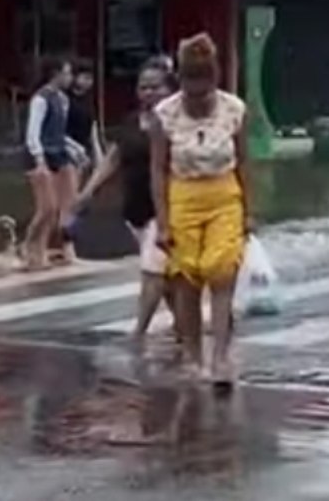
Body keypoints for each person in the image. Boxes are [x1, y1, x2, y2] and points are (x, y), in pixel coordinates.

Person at [151, 32, 250, 385]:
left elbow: (243, 163)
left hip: (225, 194)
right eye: (190, 82)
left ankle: (221, 357)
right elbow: (158, 170)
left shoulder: (234, 109)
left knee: (222, 271)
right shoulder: (165, 114)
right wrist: (162, 222)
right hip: (183, 196)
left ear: (214, 77)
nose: (197, 92)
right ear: (180, 79)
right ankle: (192, 356)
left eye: (203, 83)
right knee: (186, 277)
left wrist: (248, 211)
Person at [75, 60, 177, 343]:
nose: (148, 93)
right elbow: (114, 158)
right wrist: (89, 190)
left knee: (152, 271)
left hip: (167, 209)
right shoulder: (132, 121)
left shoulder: (177, 123)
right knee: (163, 274)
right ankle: (183, 325)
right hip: (136, 210)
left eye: (155, 87)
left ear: (170, 89)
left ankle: (139, 332)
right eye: (143, 87)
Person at [21, 57, 75, 271]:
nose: (70, 78)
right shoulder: (40, 99)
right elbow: (32, 134)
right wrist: (39, 160)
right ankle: (27, 245)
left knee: (56, 210)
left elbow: (60, 133)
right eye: (67, 73)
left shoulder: (62, 99)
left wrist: (75, 149)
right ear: (56, 74)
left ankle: (40, 252)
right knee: (46, 208)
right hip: (40, 156)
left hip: (58, 154)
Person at [60, 61, 103, 263]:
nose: (87, 82)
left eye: (90, 78)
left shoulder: (88, 101)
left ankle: (59, 244)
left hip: (83, 157)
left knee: (77, 202)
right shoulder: (64, 100)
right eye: (83, 77)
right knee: (70, 204)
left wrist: (98, 155)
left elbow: (92, 129)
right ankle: (68, 249)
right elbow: (58, 132)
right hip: (67, 156)